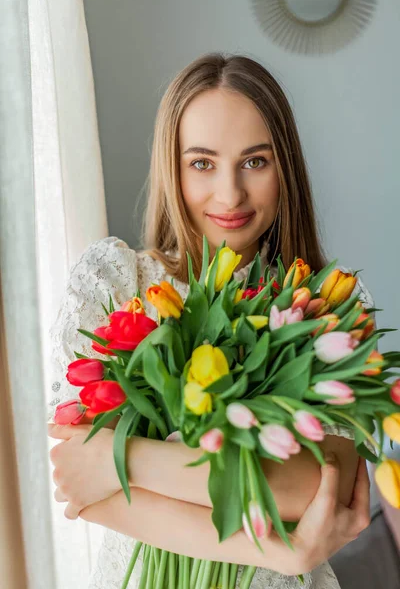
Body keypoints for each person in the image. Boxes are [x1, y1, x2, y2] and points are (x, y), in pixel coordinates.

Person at [47, 52, 376, 588]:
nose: (230, 194)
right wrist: (282, 553)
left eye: (255, 161)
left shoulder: (324, 303)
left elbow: (316, 488)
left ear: (284, 167)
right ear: (171, 166)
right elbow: (81, 485)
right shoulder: (115, 283)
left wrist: (121, 458)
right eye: (202, 163)